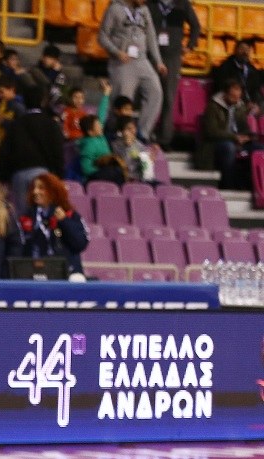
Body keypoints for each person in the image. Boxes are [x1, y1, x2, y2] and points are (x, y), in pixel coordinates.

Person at [98, 0, 168, 142]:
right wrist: (116, 52)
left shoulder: (144, 10)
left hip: (142, 60)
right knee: (123, 101)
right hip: (122, 62)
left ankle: (142, 134)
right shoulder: (114, 9)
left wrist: (158, 61)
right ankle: (117, 134)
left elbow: (151, 36)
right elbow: (102, 37)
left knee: (155, 92)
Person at [0, 87, 65, 215]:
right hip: (43, 173)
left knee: (22, 215)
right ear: (43, 102)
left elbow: (5, 151)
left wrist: (3, 177)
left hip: (19, 174)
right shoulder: (51, 124)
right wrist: (59, 175)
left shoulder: (15, 124)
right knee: (43, 214)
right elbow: (57, 151)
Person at [149, 0, 200, 149]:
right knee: (149, 96)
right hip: (151, 55)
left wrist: (190, 45)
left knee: (169, 98)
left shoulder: (182, 4)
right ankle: (145, 134)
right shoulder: (150, 4)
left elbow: (196, 26)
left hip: (172, 56)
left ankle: (164, 139)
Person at [196, 79, 263, 190]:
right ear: (225, 93)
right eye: (233, 95)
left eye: (238, 95)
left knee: (259, 148)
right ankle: (228, 186)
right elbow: (211, 132)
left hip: (236, 141)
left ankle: (254, 186)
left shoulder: (240, 107)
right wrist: (234, 137)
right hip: (215, 144)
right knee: (229, 147)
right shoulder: (213, 107)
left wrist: (247, 137)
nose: (236, 98)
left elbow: (243, 128)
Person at [21, 172, 89, 276]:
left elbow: (80, 244)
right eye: (34, 188)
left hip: (67, 273)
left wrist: (64, 221)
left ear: (53, 190)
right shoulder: (27, 217)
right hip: (37, 274)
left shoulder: (70, 215)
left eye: (41, 188)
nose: (35, 191)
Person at [213, 39, 264, 109]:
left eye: (247, 50)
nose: (245, 52)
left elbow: (255, 88)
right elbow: (226, 90)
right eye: (242, 49)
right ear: (235, 50)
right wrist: (246, 103)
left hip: (252, 104)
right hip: (234, 104)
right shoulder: (226, 67)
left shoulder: (251, 69)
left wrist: (256, 103)